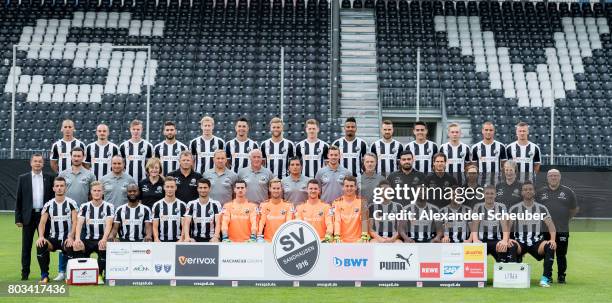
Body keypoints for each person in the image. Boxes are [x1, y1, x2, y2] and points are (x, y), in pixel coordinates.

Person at [508, 181, 557, 287]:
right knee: (511, 245)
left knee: (551, 246)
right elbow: (508, 226)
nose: (528, 191)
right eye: (525, 189)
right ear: (522, 192)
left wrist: (552, 240)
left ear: (534, 192)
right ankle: (514, 278)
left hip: (537, 243)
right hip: (520, 242)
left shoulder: (541, 208)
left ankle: (545, 279)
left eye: (530, 189)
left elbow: (551, 226)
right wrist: (506, 239)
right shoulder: (515, 208)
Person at [57, 146, 95, 281]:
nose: (77, 158)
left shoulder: (89, 174)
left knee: (81, 240)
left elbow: (92, 195)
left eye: (79, 156)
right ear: (71, 156)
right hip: (66, 214)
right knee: (65, 240)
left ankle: (80, 269)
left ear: (83, 157)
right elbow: (59, 191)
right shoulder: (63, 173)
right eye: (75, 156)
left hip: (83, 215)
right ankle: (62, 271)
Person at [15, 154, 54, 280]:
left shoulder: (49, 178)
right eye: (35, 161)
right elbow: (19, 199)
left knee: (44, 245)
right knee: (26, 246)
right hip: (28, 216)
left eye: (40, 162)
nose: (37, 163)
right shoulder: (23, 178)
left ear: (43, 164)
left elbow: (52, 199)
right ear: (31, 163)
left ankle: (45, 274)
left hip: (44, 216)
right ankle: (24, 274)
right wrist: (18, 218)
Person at [537, 169, 578, 284]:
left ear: (559, 177)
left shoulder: (568, 192)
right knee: (547, 254)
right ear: (547, 178)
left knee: (561, 254)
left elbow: (574, 209)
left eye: (555, 176)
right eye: (551, 176)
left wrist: (566, 219)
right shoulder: (540, 192)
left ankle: (561, 276)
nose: (553, 178)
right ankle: (547, 276)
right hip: (545, 230)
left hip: (562, 229)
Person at [35, 177, 78, 284]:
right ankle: (44, 276)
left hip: (66, 238)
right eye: (57, 186)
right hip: (53, 239)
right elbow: (42, 223)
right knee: (41, 244)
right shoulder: (49, 204)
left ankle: (69, 275)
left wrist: (71, 236)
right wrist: (41, 237)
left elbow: (75, 222)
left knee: (69, 245)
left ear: (65, 188)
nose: (59, 188)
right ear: (53, 188)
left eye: (62, 186)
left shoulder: (71, 203)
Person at [72, 181, 114, 283]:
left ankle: (99, 275)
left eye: (99, 190)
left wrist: (104, 239)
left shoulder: (109, 206)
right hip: (88, 239)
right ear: (91, 192)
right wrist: (77, 239)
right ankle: (82, 274)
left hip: (101, 238)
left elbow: (109, 224)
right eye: (94, 190)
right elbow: (79, 224)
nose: (97, 193)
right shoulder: (85, 206)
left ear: (103, 192)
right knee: (77, 245)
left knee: (103, 246)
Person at [471, 186, 516, 263]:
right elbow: (475, 225)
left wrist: (504, 240)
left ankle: (507, 269)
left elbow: (505, 225)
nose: (489, 196)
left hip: (496, 241)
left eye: (492, 193)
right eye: (487, 193)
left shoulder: (501, 207)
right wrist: (475, 240)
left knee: (510, 246)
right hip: (482, 241)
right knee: (473, 256)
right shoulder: (478, 207)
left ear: (495, 195)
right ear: (484, 195)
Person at [332, 176, 367, 243]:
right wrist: (337, 236)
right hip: (341, 240)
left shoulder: (362, 202)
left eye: (351, 186)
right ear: (343, 187)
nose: (349, 188)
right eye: (347, 186)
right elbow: (337, 221)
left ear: (356, 187)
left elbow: (364, 220)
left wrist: (364, 235)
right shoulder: (336, 202)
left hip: (358, 240)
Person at [471, 121, 507, 186]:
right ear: (482, 131)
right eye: (486, 130)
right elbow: (474, 167)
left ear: (494, 131)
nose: (488, 132)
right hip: (480, 183)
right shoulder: (475, 147)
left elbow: (504, 166)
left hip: (497, 183)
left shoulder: (501, 146)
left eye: (491, 130)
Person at [152, 177, 187, 242]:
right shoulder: (157, 205)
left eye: (172, 187)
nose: (169, 189)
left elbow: (184, 225)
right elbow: (155, 226)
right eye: (167, 187)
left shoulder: (182, 205)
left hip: (178, 241)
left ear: (176, 188)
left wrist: (181, 239)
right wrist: (156, 238)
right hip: (162, 241)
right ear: (164, 187)